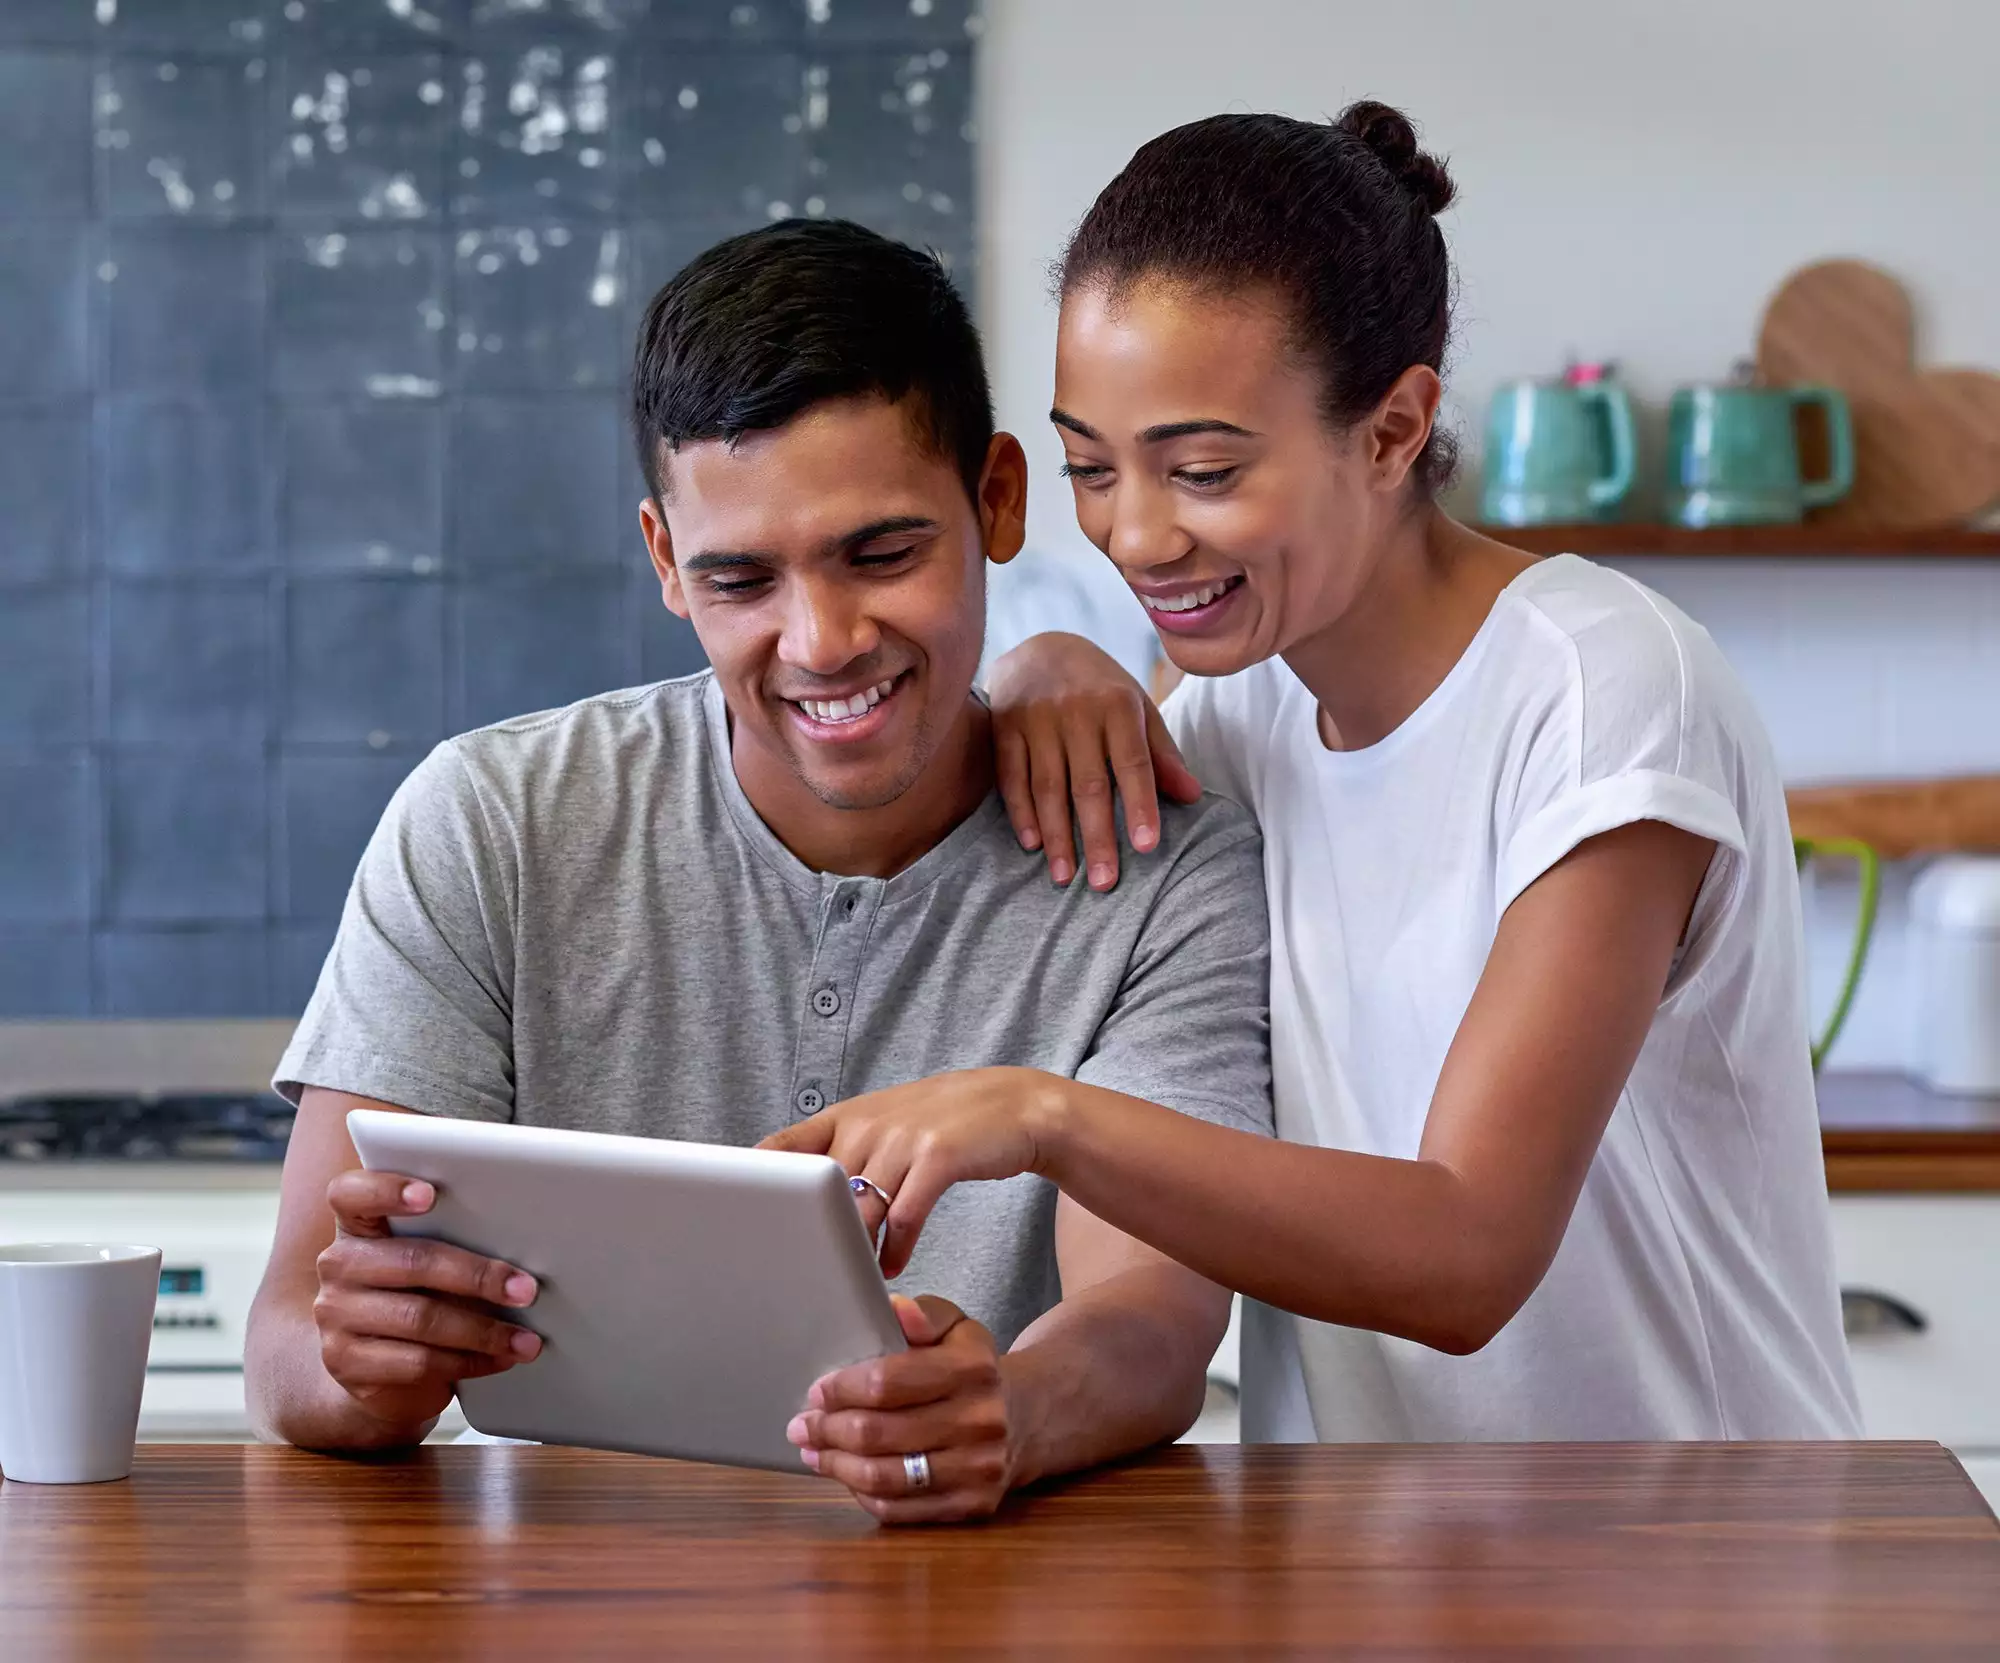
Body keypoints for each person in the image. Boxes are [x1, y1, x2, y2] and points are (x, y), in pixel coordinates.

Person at [765, 106, 1862, 1444]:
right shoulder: (1231, 703)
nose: (1139, 533)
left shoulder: (1602, 692)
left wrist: (1046, 1115)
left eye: (1206, 469)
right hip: (1380, 1568)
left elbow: (1467, 1252)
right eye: (1090, 469)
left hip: (1696, 1559)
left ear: (1395, 429)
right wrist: (1054, 658)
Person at [244, 220, 1274, 1522]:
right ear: (667, 560)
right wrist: (363, 1374)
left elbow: (1153, 1315)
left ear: (998, 498)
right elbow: (287, 1338)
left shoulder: (1163, 861)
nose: (823, 640)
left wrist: (1009, 1410)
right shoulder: (490, 821)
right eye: (740, 577)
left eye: (882, 554)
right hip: (558, 1597)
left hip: (975, 1595)